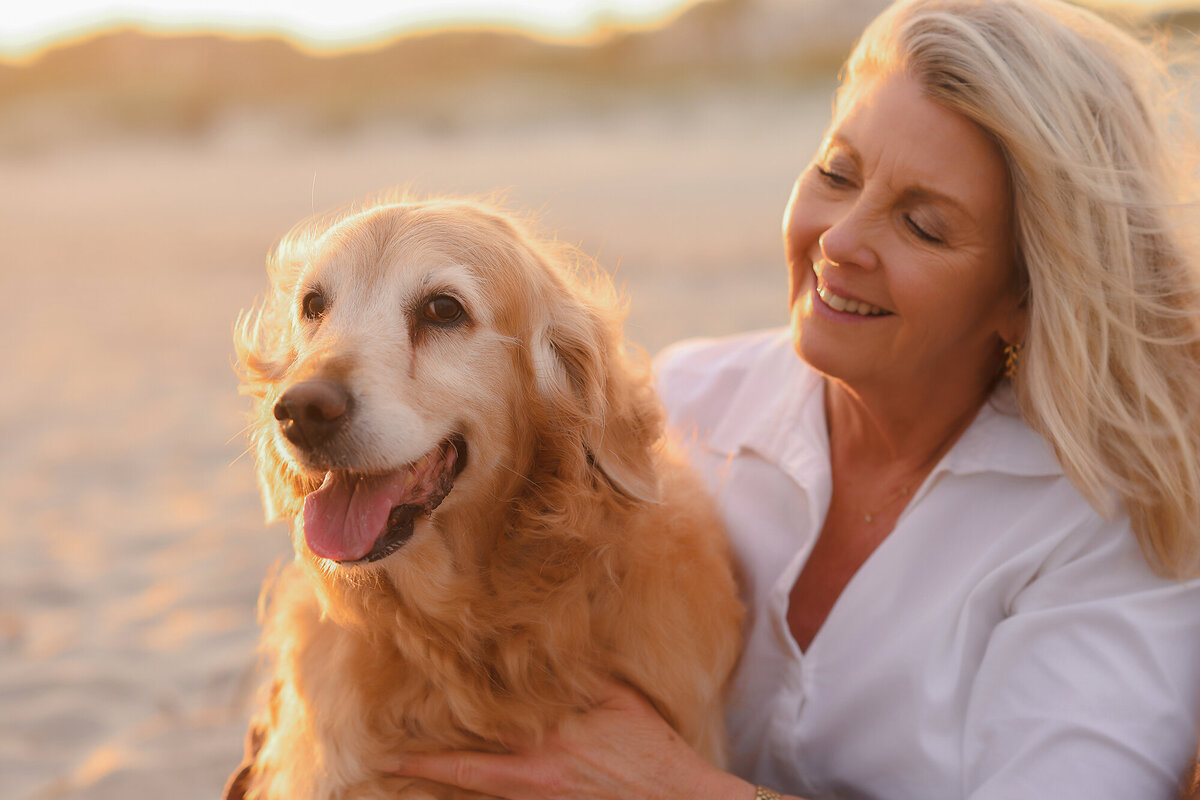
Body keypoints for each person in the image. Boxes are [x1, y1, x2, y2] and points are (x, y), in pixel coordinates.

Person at [381, 0, 1200, 796]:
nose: (839, 242)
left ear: (1025, 291)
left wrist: (679, 790)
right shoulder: (680, 405)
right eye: (837, 174)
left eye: (923, 225)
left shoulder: (1108, 527)